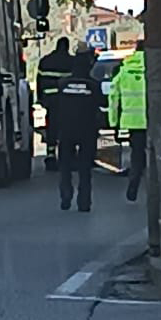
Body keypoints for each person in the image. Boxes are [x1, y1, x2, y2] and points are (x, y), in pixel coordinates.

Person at [53, 49, 106, 212]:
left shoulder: (62, 84)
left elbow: (56, 108)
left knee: (65, 166)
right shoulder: (93, 85)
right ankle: (84, 202)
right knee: (85, 169)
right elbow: (102, 103)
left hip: (66, 130)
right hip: (87, 131)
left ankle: (66, 197)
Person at [108, 44, 148, 202]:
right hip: (151, 121)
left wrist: (114, 122)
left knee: (136, 156)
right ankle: (155, 189)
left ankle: (133, 186)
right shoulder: (154, 70)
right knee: (157, 156)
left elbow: (113, 98)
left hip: (133, 123)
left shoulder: (124, 71)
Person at [36, 38, 73, 172]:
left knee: (51, 126)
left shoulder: (45, 61)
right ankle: (68, 155)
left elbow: (39, 81)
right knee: (67, 127)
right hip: (66, 100)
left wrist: (40, 99)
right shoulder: (70, 61)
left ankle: (51, 155)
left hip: (50, 100)